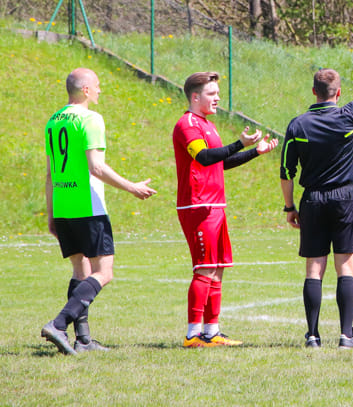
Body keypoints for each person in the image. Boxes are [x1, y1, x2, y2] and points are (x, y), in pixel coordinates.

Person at [280, 26, 353, 349]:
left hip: (312, 199)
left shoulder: (298, 125)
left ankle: (313, 336)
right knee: (346, 266)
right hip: (344, 198)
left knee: (314, 267)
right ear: (338, 93)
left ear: (314, 92)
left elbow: (286, 171)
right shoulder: (348, 117)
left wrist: (290, 207)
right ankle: (345, 335)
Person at [41, 68, 157, 355]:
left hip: (65, 206)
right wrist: (132, 187)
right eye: (97, 86)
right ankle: (58, 324)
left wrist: (51, 213)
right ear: (85, 91)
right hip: (88, 206)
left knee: (81, 273)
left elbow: (49, 173)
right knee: (104, 272)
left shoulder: (53, 121)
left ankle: (82, 341)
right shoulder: (90, 119)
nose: (100, 91)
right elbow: (96, 167)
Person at [173, 72, 278, 348]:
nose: (218, 97)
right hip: (199, 206)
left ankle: (211, 331)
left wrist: (255, 151)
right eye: (212, 93)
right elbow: (204, 157)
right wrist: (240, 144)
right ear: (195, 97)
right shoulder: (187, 125)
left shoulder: (208, 125)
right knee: (205, 268)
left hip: (216, 206)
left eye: (218, 93)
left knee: (218, 269)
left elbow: (221, 163)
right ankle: (193, 334)